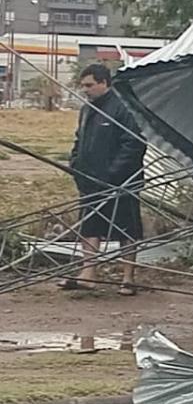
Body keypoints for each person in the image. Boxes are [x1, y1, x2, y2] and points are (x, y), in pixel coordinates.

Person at [60, 63, 146, 295]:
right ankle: (88, 274)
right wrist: (75, 163)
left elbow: (134, 144)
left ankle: (128, 278)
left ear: (104, 83)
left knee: (127, 229)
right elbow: (79, 140)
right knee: (89, 226)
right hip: (89, 181)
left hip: (121, 183)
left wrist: (112, 173)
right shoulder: (87, 109)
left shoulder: (124, 108)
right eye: (83, 86)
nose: (85, 90)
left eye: (89, 85)